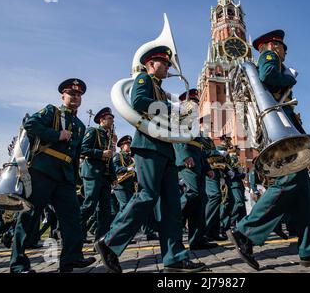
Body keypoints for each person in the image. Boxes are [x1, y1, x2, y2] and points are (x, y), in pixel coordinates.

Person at [227, 29, 310, 269]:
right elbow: (269, 76)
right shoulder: (269, 58)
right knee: (287, 182)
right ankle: (245, 232)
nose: (285, 51)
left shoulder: (272, 58)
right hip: (280, 130)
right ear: (272, 45)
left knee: (305, 194)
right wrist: (289, 76)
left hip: (284, 128)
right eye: (282, 46)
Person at [94, 46, 206, 273]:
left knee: (172, 206)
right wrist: (174, 108)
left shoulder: (161, 90)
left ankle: (174, 257)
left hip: (165, 149)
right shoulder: (144, 79)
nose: (167, 67)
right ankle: (110, 242)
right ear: (150, 64)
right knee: (147, 195)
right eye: (164, 63)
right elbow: (138, 102)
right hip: (148, 146)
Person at [9, 78, 96, 273]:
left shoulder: (80, 125)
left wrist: (75, 180)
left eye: (79, 95)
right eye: (72, 94)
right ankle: (18, 265)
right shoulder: (52, 112)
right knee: (29, 216)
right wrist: (57, 135)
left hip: (64, 178)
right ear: (63, 96)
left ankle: (71, 258)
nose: (76, 97)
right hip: (42, 171)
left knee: (72, 217)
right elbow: (30, 125)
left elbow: (74, 157)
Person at [173, 89, 218, 250]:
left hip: (198, 161)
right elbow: (175, 138)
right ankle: (172, 221)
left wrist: (207, 168)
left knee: (200, 200)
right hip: (187, 161)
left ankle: (197, 240)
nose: (196, 105)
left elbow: (199, 147)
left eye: (197, 103)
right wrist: (185, 156)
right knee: (192, 194)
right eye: (193, 102)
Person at [80, 107, 117, 243]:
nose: (112, 121)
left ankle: (101, 240)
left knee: (105, 211)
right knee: (89, 205)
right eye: (109, 118)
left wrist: (113, 177)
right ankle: (73, 230)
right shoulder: (93, 131)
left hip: (105, 177)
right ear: (101, 120)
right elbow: (82, 149)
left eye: (112, 118)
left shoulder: (107, 136)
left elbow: (109, 159)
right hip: (93, 173)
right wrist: (100, 153)